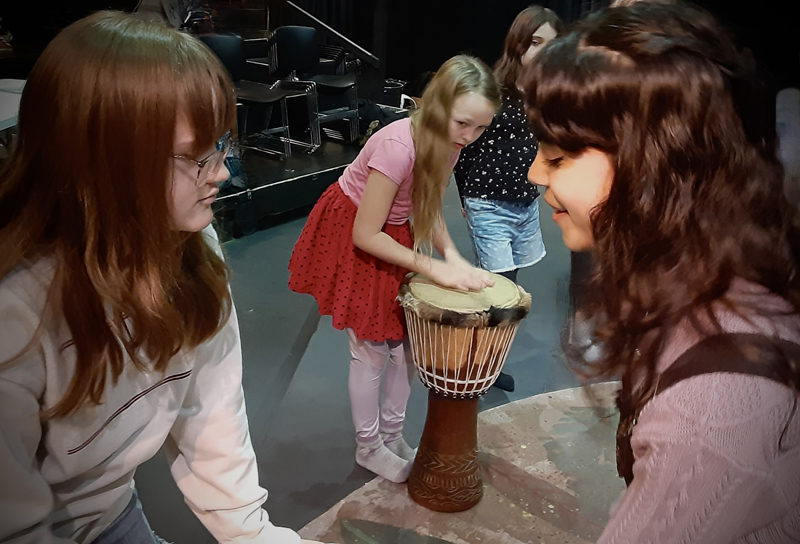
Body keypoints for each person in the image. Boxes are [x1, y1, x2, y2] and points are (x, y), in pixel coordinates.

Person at [0, 11, 321, 544]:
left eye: (221, 145)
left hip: (111, 512)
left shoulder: (192, 244)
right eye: (196, 156)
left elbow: (212, 411)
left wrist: (256, 536)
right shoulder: (17, 314)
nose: (221, 171)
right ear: (101, 162)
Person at [524, 2, 800, 541]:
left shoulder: (713, 413)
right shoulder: (712, 273)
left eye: (558, 158)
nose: (536, 172)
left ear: (651, 165)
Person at [288, 55, 499, 483]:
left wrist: (452, 258)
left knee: (404, 347)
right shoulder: (398, 146)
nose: (470, 137)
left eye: (481, 128)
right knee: (369, 351)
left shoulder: (451, 143)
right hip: (359, 231)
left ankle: (392, 434)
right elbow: (366, 234)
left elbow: (428, 205)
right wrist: (433, 268)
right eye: (463, 124)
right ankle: (368, 446)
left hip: (394, 231)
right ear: (437, 105)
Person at [453, 5, 563, 393]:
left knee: (511, 287)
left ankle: (486, 359)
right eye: (535, 43)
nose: (543, 53)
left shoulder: (547, 94)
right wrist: (466, 195)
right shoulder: (494, 90)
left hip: (525, 202)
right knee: (498, 287)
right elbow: (463, 147)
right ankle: (478, 364)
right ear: (518, 44)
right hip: (488, 201)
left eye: (551, 45)